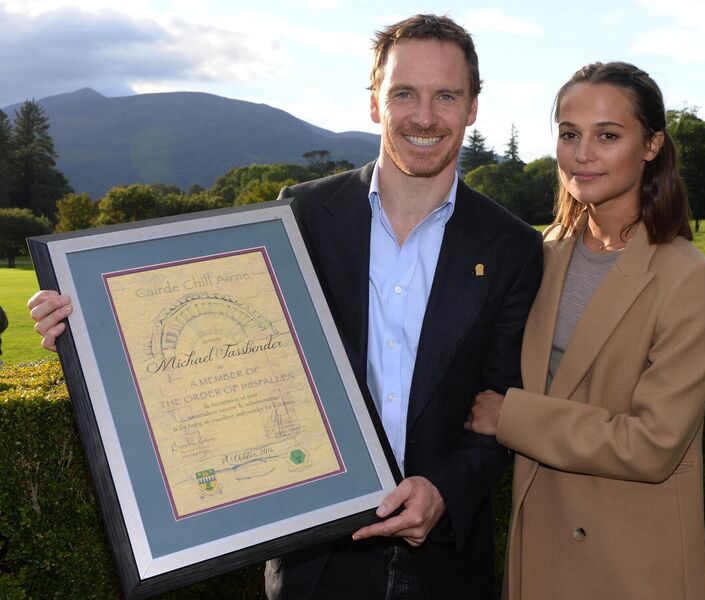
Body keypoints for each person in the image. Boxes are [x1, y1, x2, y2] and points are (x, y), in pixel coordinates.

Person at [28, 14, 544, 600]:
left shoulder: (512, 247)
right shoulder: (296, 217)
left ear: (473, 107)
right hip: (316, 564)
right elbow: (208, 329)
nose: (423, 116)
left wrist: (445, 490)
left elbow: (502, 408)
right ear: (376, 104)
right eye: (404, 93)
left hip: (445, 566)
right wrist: (84, 321)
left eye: (445, 95)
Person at [465, 62, 705, 600]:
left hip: (630, 562)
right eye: (568, 134)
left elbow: (653, 445)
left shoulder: (690, 282)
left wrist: (509, 416)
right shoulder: (545, 252)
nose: (582, 153)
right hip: (541, 544)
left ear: (652, 145)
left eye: (608, 135)